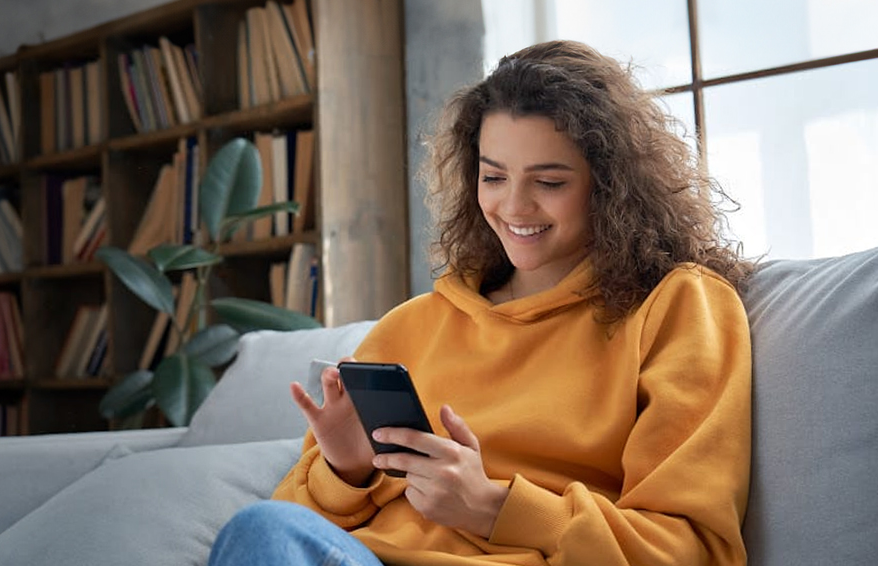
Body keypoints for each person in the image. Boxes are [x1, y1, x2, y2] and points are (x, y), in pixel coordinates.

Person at [208, 40, 755, 566]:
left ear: (610, 185)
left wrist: (494, 507)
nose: (513, 206)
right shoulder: (414, 325)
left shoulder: (679, 305)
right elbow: (285, 533)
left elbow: (692, 550)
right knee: (258, 528)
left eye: (549, 181)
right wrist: (347, 470)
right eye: (493, 176)